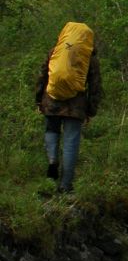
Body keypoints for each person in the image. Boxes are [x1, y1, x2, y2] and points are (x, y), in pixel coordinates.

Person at [35, 22, 102, 193]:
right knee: (71, 142)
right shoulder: (90, 59)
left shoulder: (56, 51)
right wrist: (91, 111)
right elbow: (95, 87)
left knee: (51, 131)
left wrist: (38, 100)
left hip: (51, 100)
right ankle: (65, 186)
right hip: (75, 106)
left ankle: (52, 161)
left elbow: (43, 76)